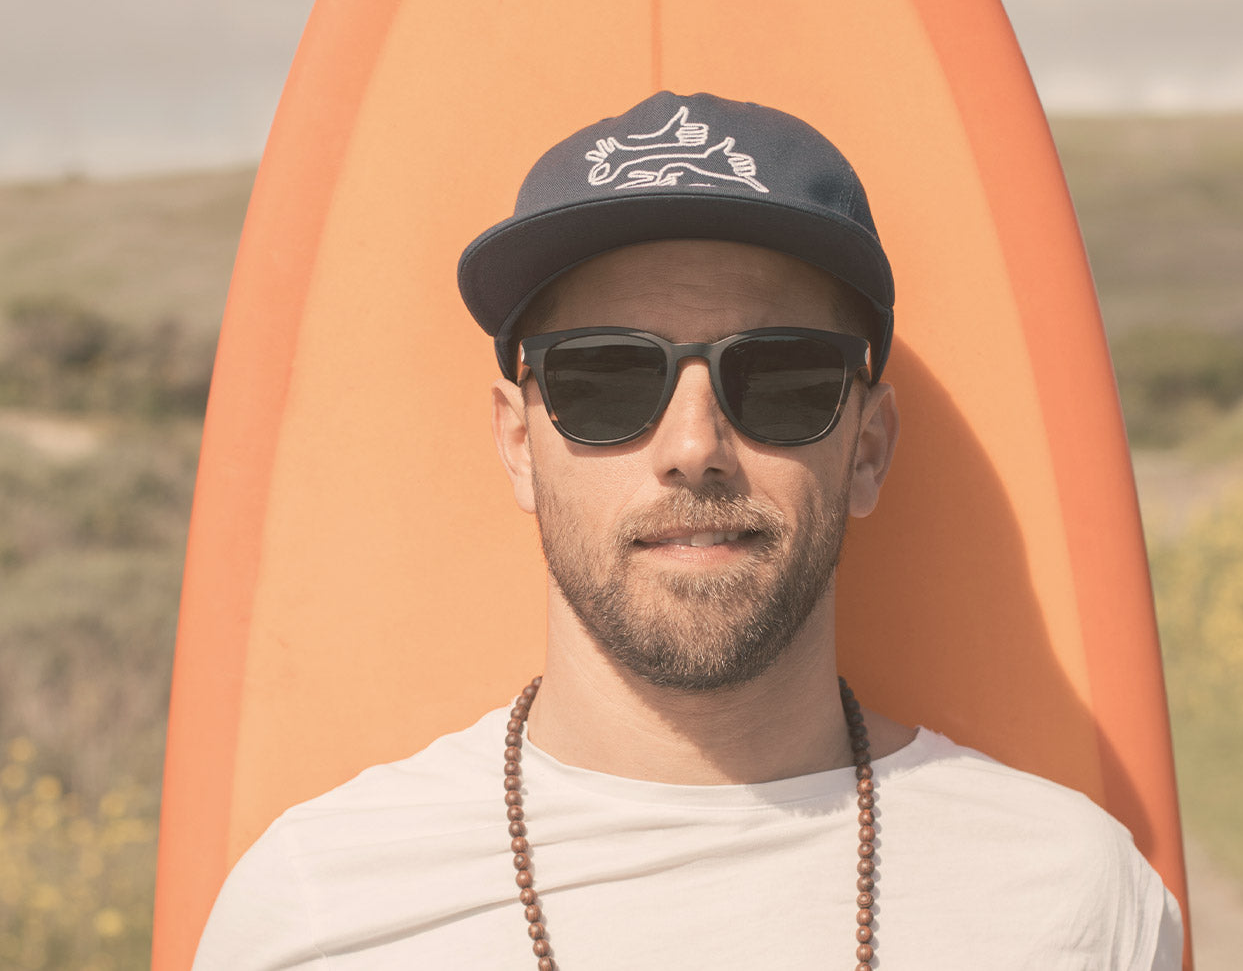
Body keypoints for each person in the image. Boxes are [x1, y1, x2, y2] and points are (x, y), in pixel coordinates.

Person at [193, 91, 1184, 969]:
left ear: (869, 446)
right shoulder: (317, 918)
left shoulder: (1076, 908)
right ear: (515, 441)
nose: (693, 443)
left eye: (782, 375)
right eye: (604, 377)